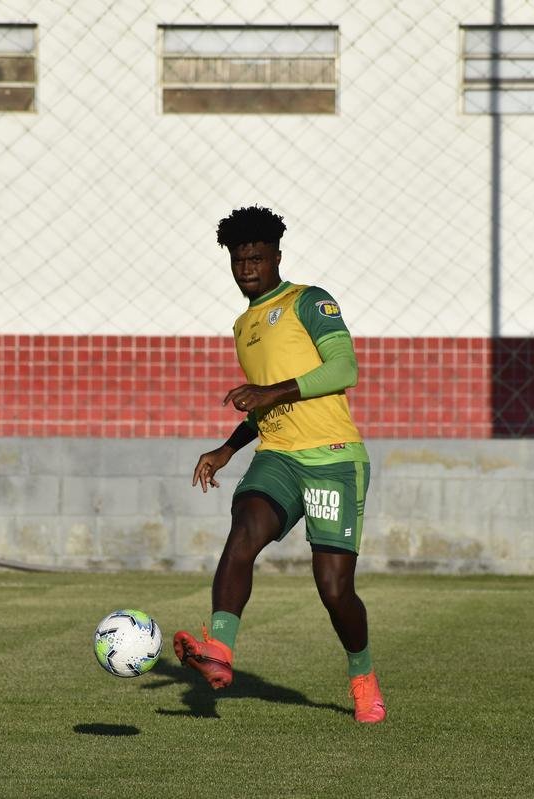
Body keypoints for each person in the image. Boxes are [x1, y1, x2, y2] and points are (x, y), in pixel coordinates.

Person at [172, 206, 386, 724]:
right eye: (239, 260)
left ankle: (362, 675)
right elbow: (266, 406)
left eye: (257, 259)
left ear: (276, 258)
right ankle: (220, 651)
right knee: (243, 529)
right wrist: (227, 447)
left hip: (333, 458)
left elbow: (344, 369)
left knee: (335, 590)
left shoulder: (310, 301)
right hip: (279, 457)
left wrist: (269, 389)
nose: (247, 268)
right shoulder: (243, 325)